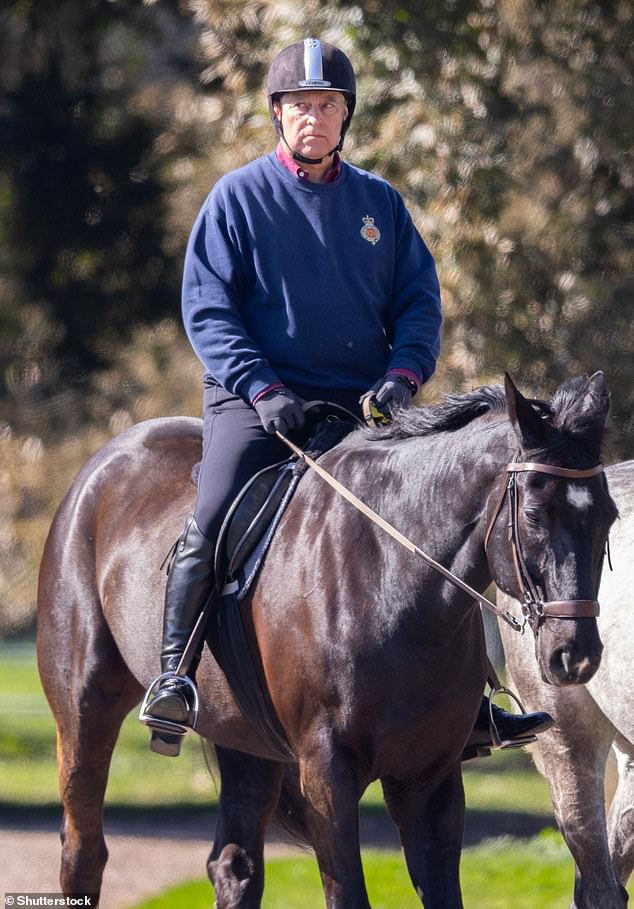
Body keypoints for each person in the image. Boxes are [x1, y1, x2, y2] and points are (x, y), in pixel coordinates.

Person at [141, 37, 552, 756]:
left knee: (438, 522)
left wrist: (402, 375)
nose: (313, 117)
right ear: (277, 114)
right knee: (211, 514)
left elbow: (420, 302)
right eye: (299, 104)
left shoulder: (379, 205)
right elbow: (208, 310)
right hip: (256, 401)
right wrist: (262, 388)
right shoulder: (235, 199)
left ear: (345, 116)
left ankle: (475, 702)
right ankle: (174, 675)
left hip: (360, 408)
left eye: (327, 104)